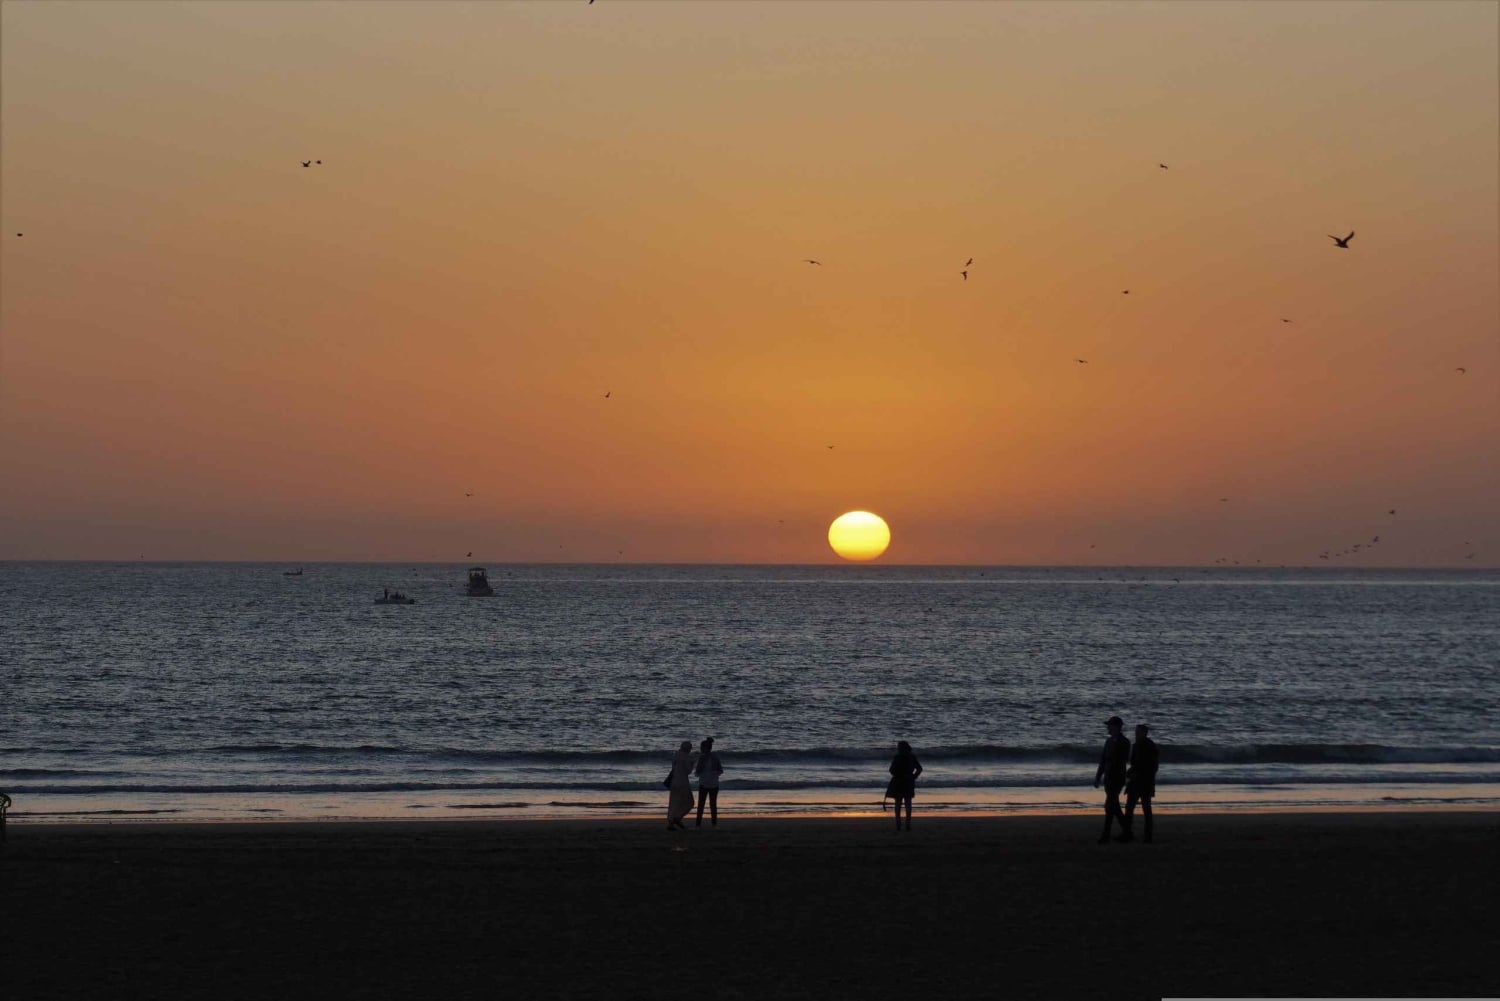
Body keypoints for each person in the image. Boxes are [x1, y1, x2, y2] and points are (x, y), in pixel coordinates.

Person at [1093, 716, 1131, 844]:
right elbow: (1103, 760)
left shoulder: (1124, 742)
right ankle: (1127, 832)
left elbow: (1122, 760)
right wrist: (1098, 777)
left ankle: (1106, 836)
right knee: (1112, 806)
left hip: (1117, 778)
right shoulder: (1108, 742)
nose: (1108, 728)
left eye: (1110, 726)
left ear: (1117, 727)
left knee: (1111, 805)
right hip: (1108, 778)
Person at [1123, 723, 1159, 843]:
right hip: (1135, 781)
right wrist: (1130, 773)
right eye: (1136, 732)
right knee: (1129, 808)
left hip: (1145, 782)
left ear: (1145, 733)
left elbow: (1153, 766)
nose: (1136, 734)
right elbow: (1134, 764)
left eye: (1138, 732)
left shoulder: (1150, 746)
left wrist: (1139, 773)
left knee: (1145, 809)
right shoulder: (1136, 745)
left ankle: (1147, 837)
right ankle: (1127, 834)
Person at [886, 740, 923, 831]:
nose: (898, 749)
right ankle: (907, 824)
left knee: (898, 803)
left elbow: (891, 770)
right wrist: (913, 777)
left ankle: (898, 824)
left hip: (899, 781)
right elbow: (919, 769)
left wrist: (897, 776)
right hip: (908, 781)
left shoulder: (897, 757)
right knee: (907, 803)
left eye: (899, 747)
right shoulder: (911, 757)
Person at [694, 737, 724, 827]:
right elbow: (720, 771)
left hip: (708, 783)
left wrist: (712, 774)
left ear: (706, 748)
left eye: (702, 747)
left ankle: (700, 824)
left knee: (705, 805)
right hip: (710, 783)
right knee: (709, 805)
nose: (700, 749)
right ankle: (711, 824)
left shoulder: (706, 758)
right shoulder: (712, 757)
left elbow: (697, 772)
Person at [666, 740, 694, 830]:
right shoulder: (686, 757)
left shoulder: (675, 755)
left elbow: (673, 768)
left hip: (674, 782)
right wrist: (692, 764)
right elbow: (688, 771)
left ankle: (671, 822)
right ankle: (678, 817)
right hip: (683, 782)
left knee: (674, 803)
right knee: (689, 802)